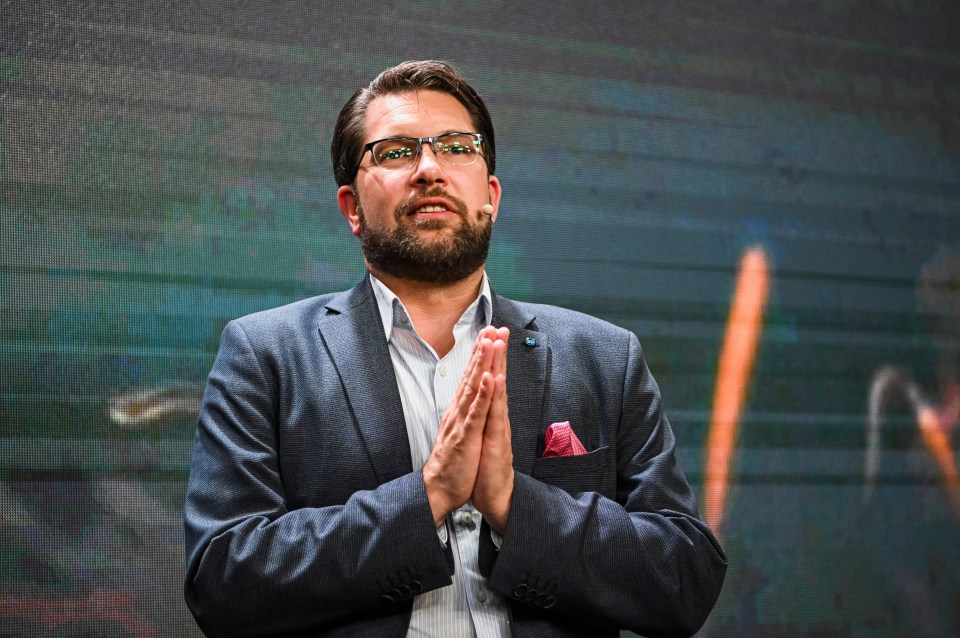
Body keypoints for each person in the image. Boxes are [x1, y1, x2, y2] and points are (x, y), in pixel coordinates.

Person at [184, 60, 726, 638]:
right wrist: (429, 495)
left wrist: (516, 505)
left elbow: (684, 580)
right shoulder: (266, 353)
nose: (428, 169)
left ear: (490, 194)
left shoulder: (604, 357)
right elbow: (223, 579)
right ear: (351, 209)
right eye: (394, 152)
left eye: (456, 147)